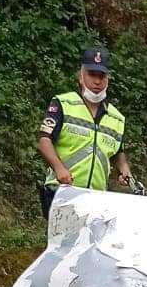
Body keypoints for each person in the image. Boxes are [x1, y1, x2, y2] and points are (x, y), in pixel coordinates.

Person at [37, 46, 133, 216]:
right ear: (81, 76)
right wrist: (59, 169)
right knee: (64, 242)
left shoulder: (116, 118)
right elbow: (45, 140)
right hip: (62, 192)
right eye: (92, 74)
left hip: (96, 198)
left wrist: (124, 168)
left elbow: (119, 151)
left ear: (107, 79)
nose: (97, 81)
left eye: (101, 76)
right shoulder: (63, 104)